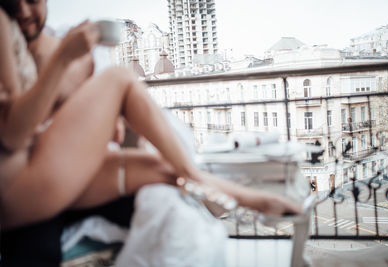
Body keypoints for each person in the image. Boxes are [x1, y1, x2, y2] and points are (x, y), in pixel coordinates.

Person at [0, 0, 300, 265]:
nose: (24, 11)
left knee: (160, 169)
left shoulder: (39, 40)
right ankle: (210, 182)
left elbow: (32, 114)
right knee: (120, 78)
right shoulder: (12, 28)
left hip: (38, 171)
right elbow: (13, 132)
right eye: (13, 4)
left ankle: (239, 196)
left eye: (33, 0)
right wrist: (64, 58)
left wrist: (101, 116)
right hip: (19, 187)